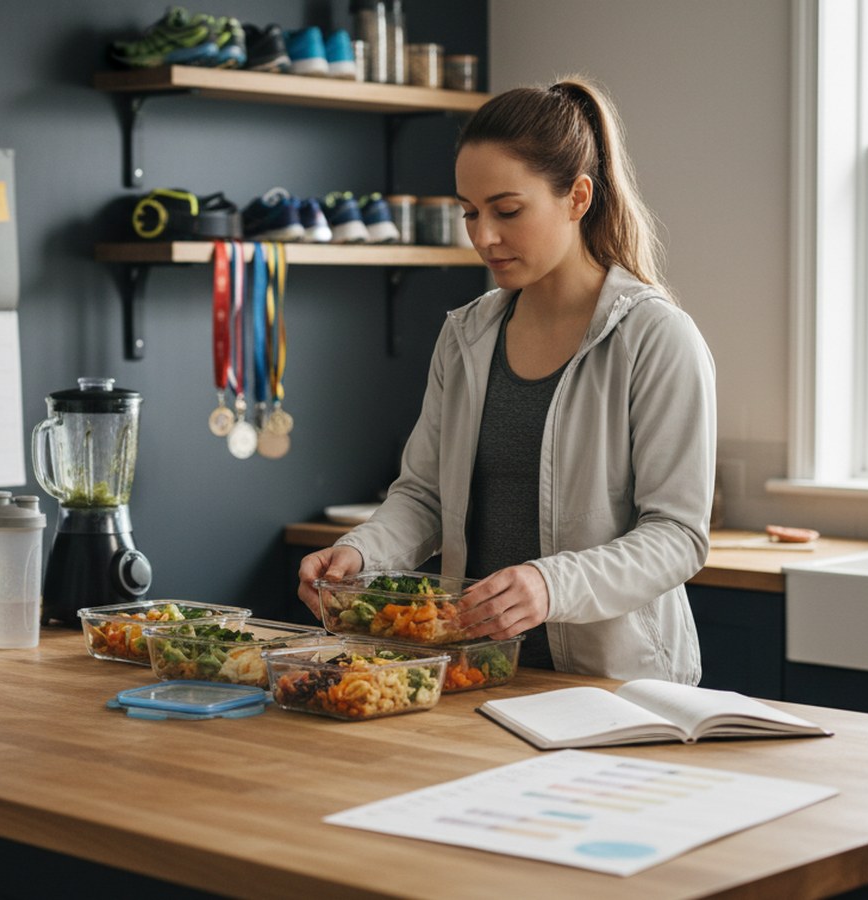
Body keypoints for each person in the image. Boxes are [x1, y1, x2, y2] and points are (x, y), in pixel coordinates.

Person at [296, 75, 716, 683]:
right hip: (476, 673)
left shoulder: (655, 337)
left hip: (614, 686)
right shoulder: (466, 335)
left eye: (507, 210)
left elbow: (678, 535)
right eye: (470, 212)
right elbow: (423, 496)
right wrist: (361, 553)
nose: (483, 236)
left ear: (577, 197)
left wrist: (551, 584)